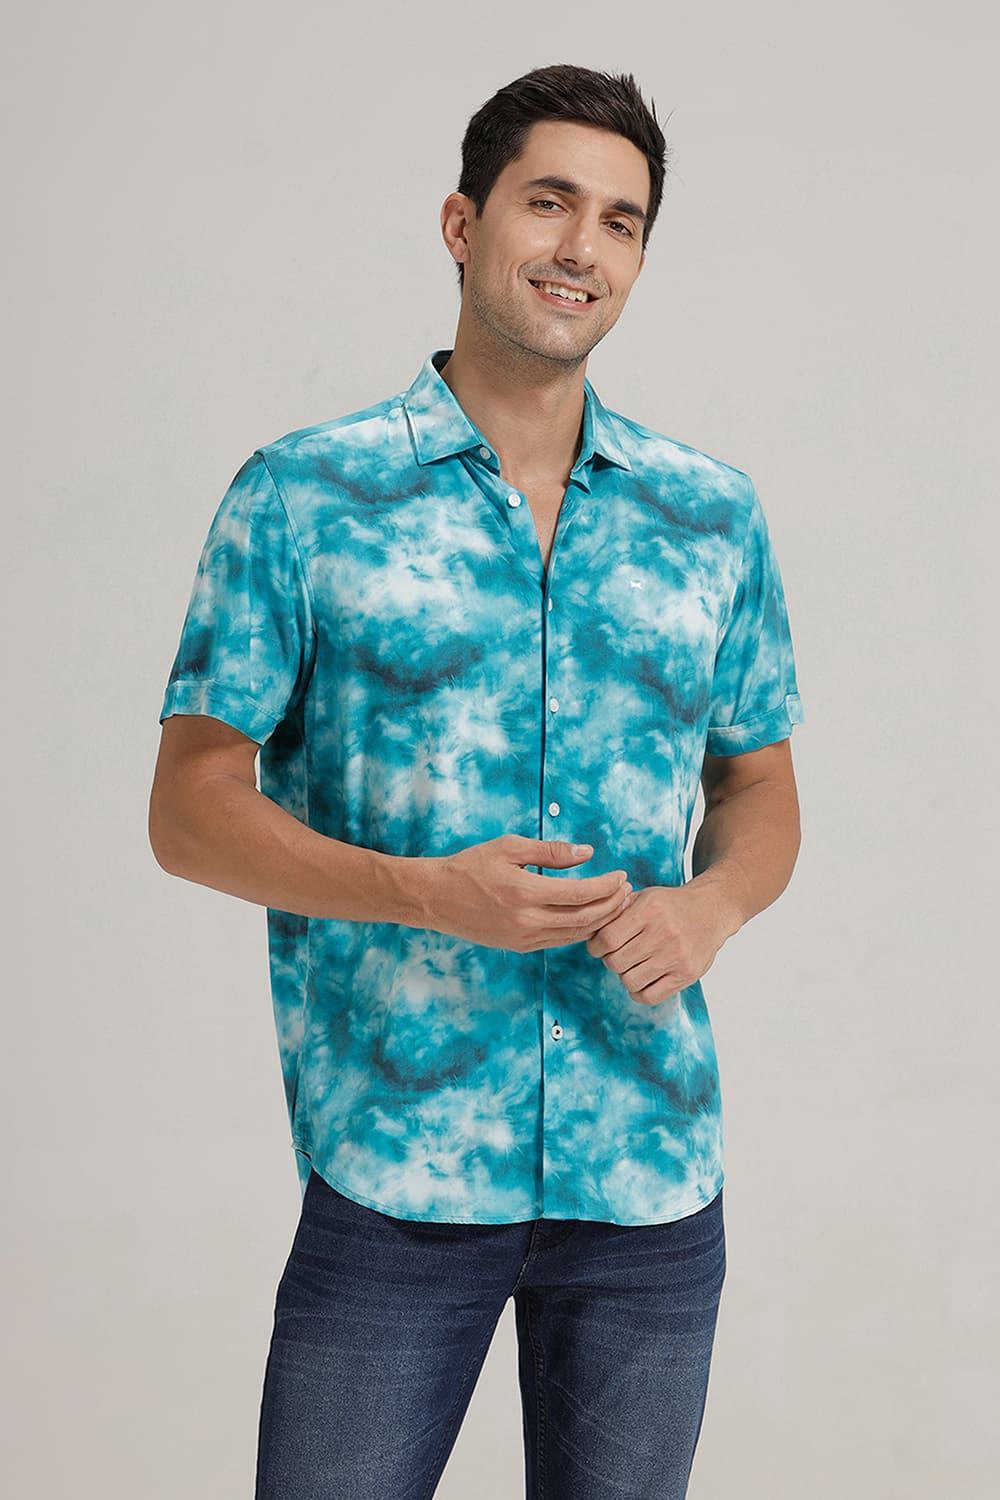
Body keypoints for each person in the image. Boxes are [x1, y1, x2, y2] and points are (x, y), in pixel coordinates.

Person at [148, 62, 803, 1500]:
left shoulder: (710, 514)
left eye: (621, 222)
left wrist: (712, 909)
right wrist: (419, 894)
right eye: (549, 202)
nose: (583, 247)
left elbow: (762, 787)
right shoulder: (304, 494)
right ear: (463, 223)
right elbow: (187, 809)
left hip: (647, 1168)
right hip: (398, 1177)